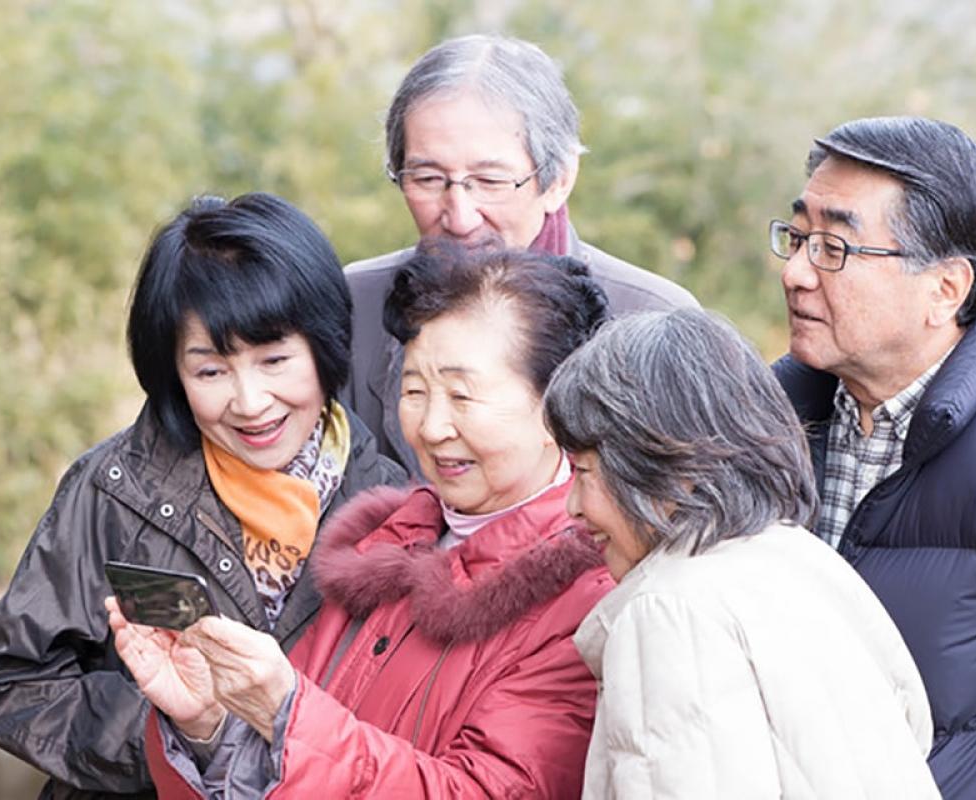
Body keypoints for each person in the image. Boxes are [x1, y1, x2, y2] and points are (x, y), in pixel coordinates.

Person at [109, 245, 613, 798]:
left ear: (557, 407)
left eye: (462, 396)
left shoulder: (588, 598)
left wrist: (288, 711)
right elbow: (287, 754)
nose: (431, 427)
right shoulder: (384, 548)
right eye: (415, 391)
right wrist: (207, 724)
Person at [0, 192, 406, 799]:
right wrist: (179, 733)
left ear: (325, 346)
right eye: (211, 371)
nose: (250, 402)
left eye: (275, 360)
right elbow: (5, 682)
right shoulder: (117, 488)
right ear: (172, 371)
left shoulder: (395, 508)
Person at [770, 116, 976, 797]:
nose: (795, 273)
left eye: (835, 247)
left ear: (945, 289)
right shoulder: (761, 429)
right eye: (798, 238)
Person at [543, 309, 939, 798]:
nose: (573, 507)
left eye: (584, 472)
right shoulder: (797, 559)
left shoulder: (669, 612)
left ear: (671, 466)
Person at [342, 33, 698, 472]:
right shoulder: (353, 308)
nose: (460, 216)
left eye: (490, 182)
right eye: (428, 179)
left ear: (559, 179)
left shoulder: (656, 322)